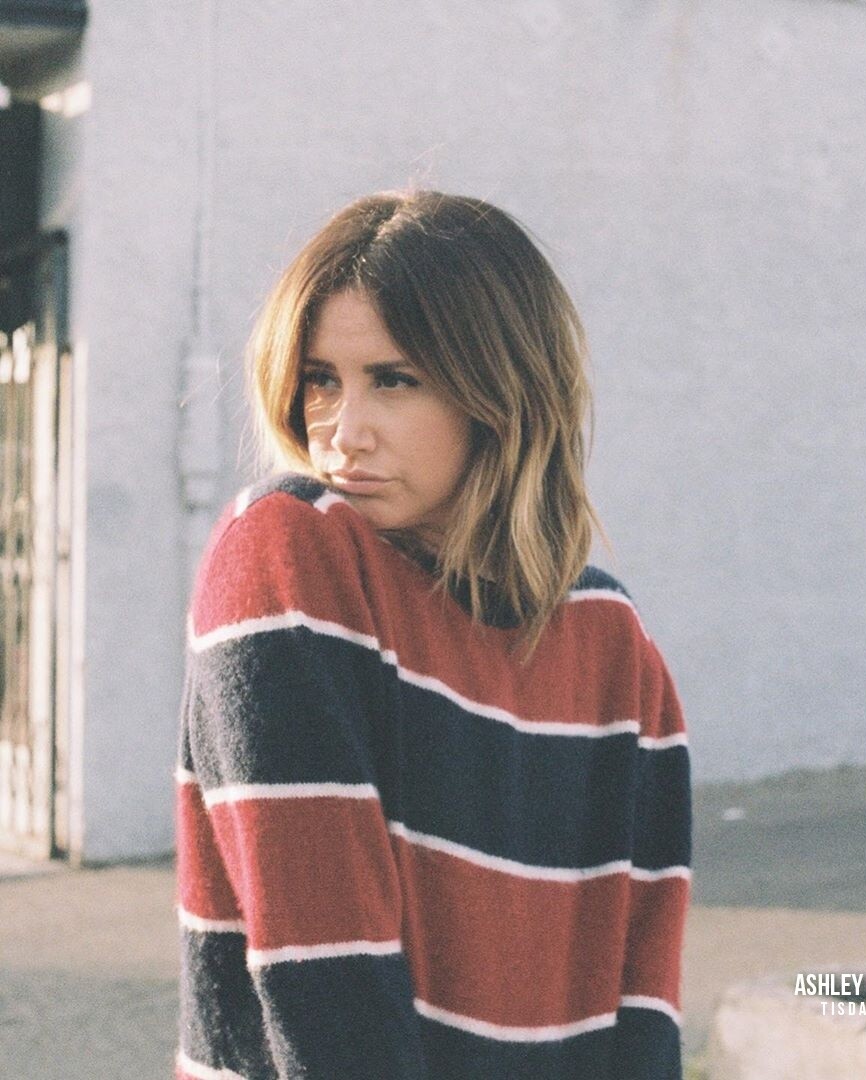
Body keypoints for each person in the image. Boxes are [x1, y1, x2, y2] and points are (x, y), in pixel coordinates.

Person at [175, 190, 691, 1080]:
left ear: (500, 392)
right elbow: (328, 983)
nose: (343, 432)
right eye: (321, 379)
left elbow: (642, 1012)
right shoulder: (288, 556)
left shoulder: (612, 640)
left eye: (394, 379)